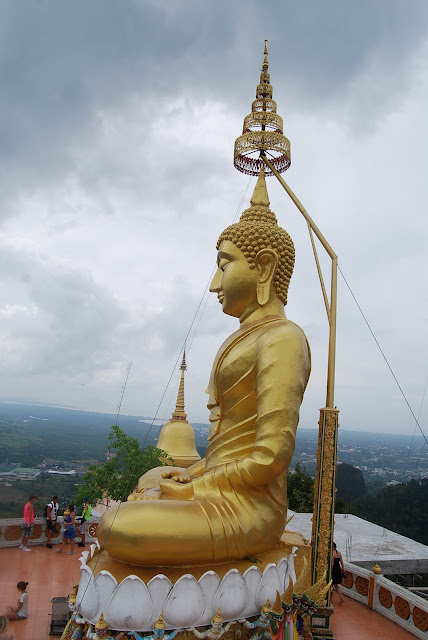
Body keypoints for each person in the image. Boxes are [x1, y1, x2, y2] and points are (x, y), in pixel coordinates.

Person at [97, 167, 310, 566]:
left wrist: (195, 488)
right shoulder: (244, 338)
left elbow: (270, 457)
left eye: (224, 264)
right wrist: (190, 477)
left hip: (250, 508)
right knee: (150, 478)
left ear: (263, 267)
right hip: (217, 485)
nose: (215, 283)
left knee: (118, 525)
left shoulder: (284, 338)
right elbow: (220, 455)